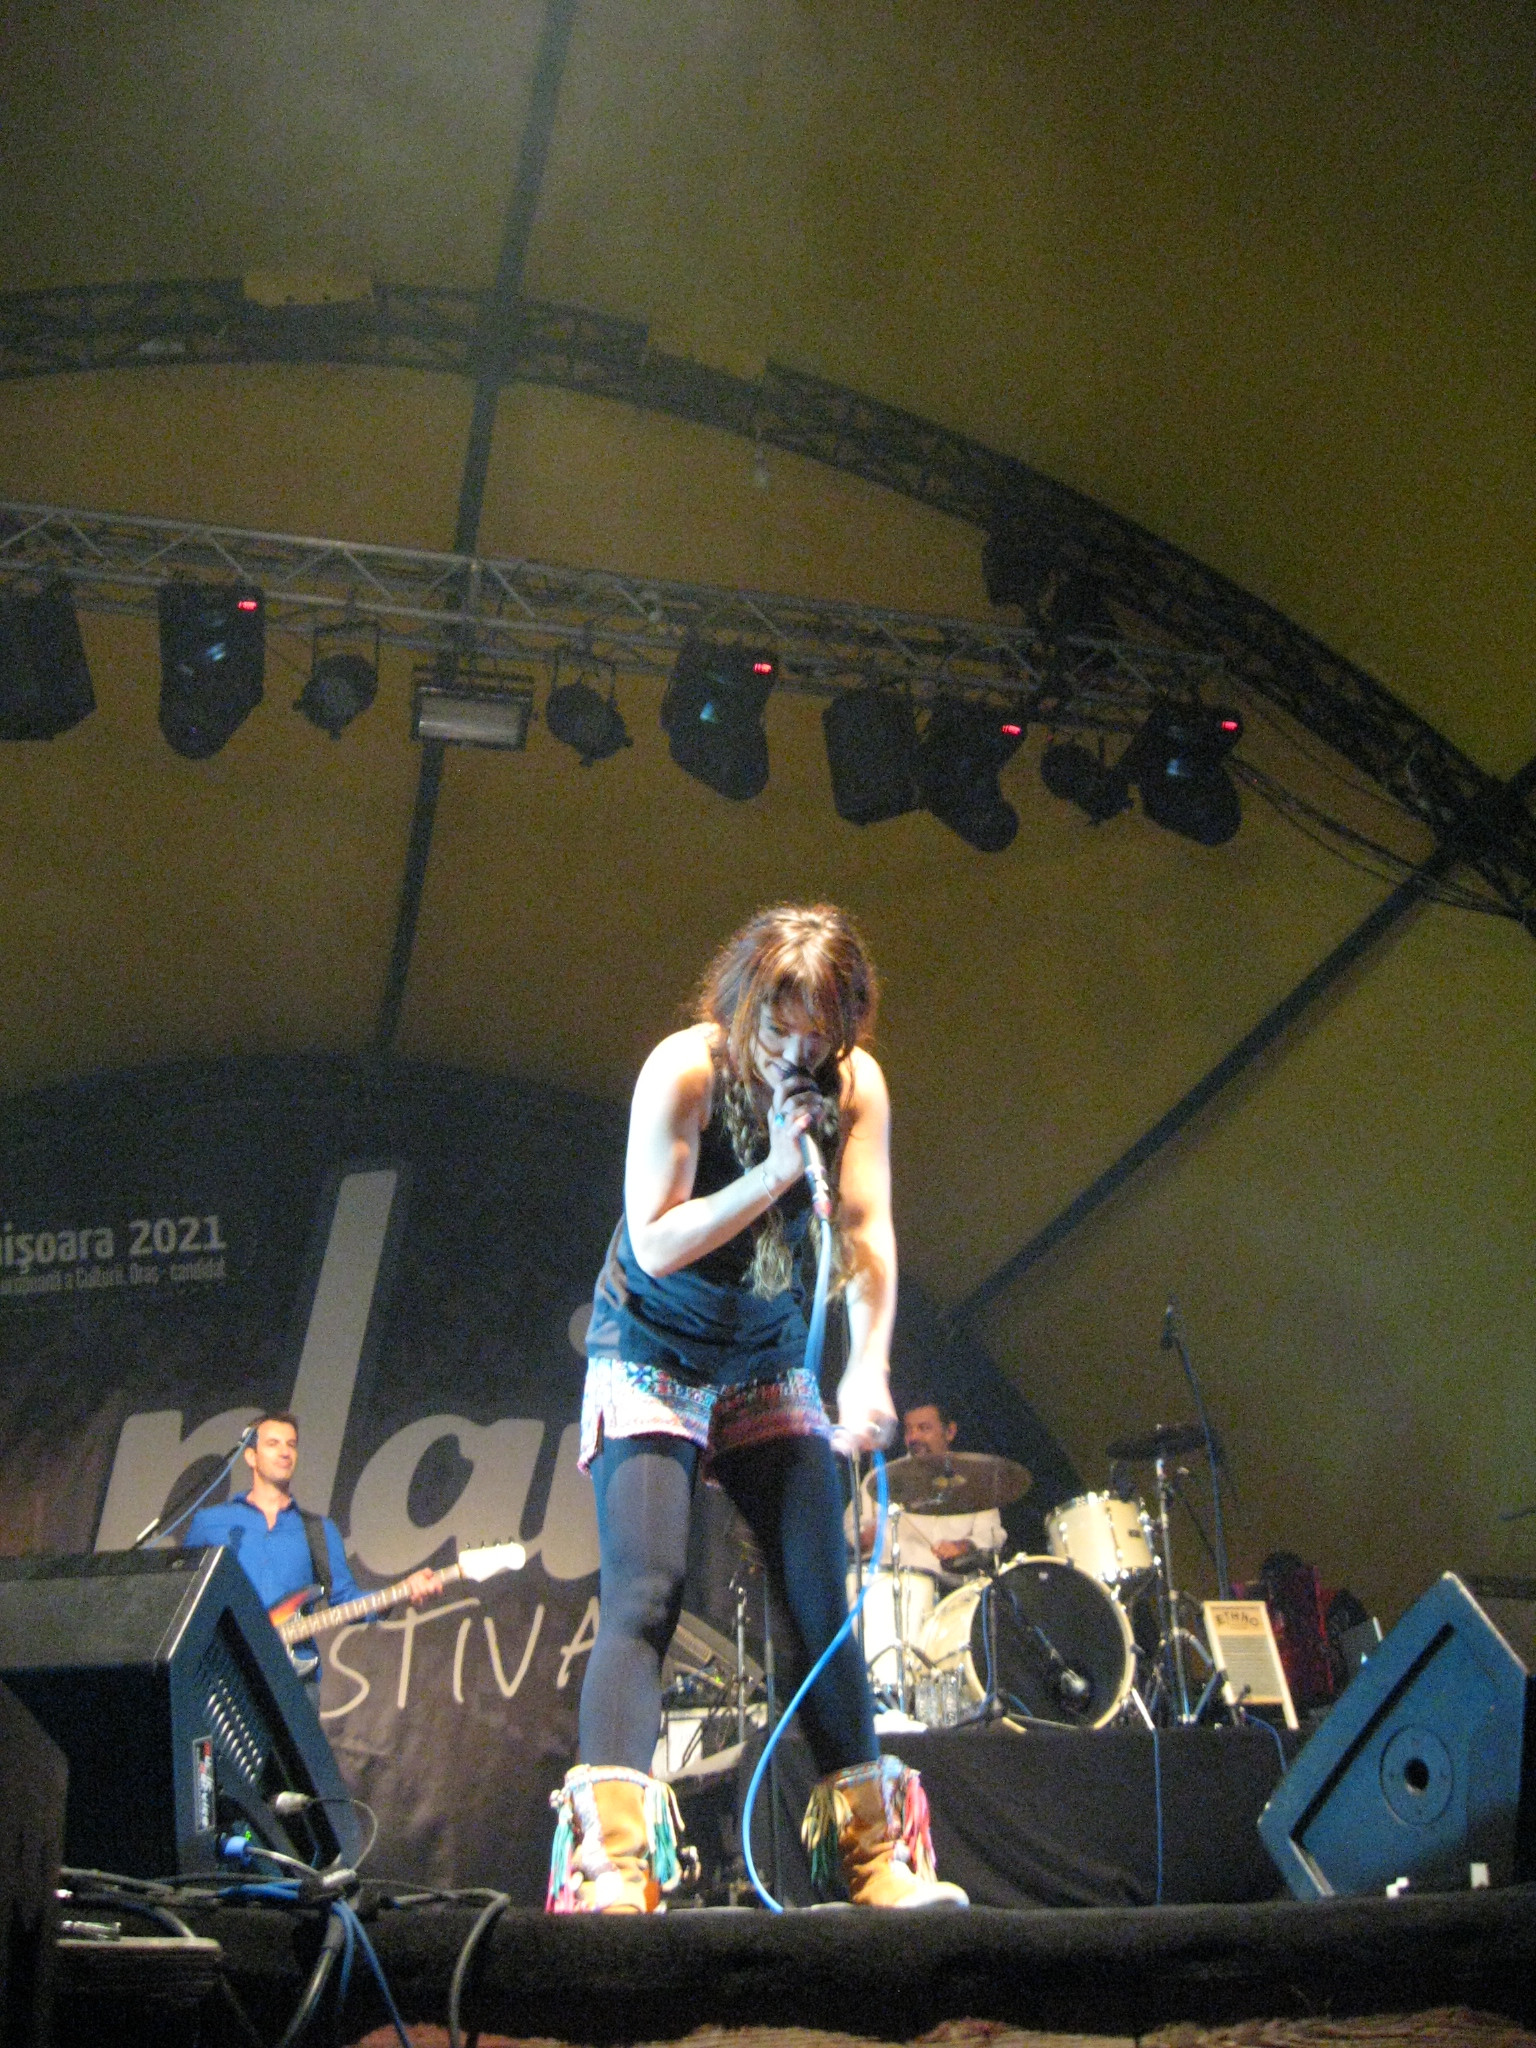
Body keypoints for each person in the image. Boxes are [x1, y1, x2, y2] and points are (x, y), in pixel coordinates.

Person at [548, 904, 966, 1914]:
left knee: (819, 1597)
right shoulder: (685, 1069)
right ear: (744, 1004)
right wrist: (776, 1172)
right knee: (647, 1592)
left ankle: (875, 1859)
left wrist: (868, 1366)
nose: (798, 1053)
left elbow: (866, 1229)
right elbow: (655, 1241)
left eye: (820, 1035)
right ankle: (612, 1867)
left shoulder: (855, 1086)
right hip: (653, 1346)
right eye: (781, 1029)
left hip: (767, 1350)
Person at [186, 1411, 441, 1686]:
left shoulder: (318, 1531)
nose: (285, 1452)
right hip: (223, 1676)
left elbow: (346, 1600)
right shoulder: (210, 1523)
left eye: (291, 1444)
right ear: (250, 1456)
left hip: (293, 1681)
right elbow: (184, 1599)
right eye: (273, 1444)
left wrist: (401, 1590)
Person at [852, 1400, 1007, 1577]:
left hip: (957, 1589)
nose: (914, 1437)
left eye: (924, 1428)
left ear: (950, 1432)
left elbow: (992, 1535)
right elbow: (847, 1533)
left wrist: (964, 1546)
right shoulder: (880, 1479)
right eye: (909, 1430)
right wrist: (862, 1539)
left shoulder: (975, 1481)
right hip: (893, 1583)